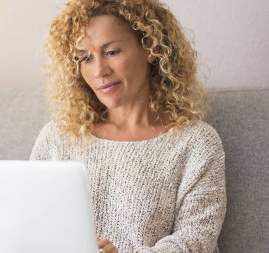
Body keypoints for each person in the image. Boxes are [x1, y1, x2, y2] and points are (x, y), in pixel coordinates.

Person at [30, 0, 226, 252]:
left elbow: (197, 239)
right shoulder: (57, 137)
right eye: (85, 58)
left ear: (150, 48)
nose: (99, 70)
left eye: (112, 52)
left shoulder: (196, 142)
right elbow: (31, 222)